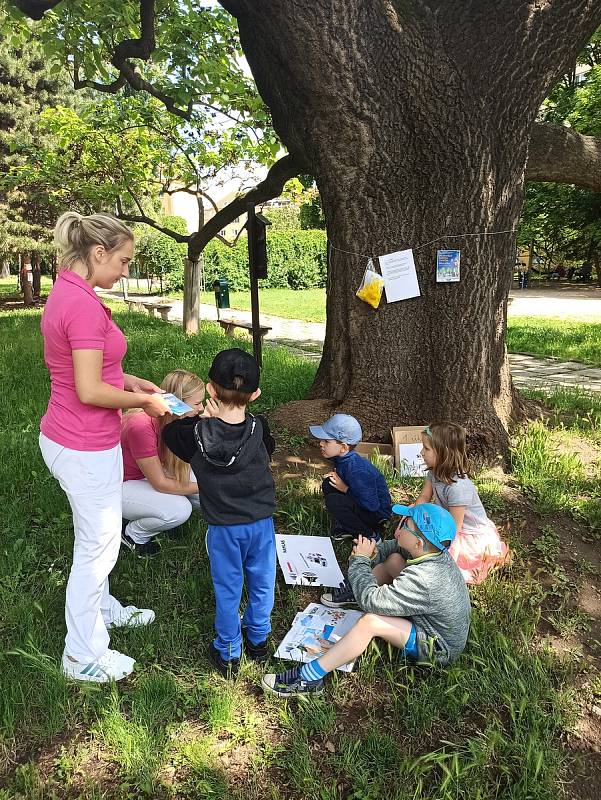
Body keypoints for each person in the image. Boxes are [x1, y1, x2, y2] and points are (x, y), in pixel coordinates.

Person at [39, 211, 170, 683]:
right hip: (82, 443)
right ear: (97, 254)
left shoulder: (71, 292)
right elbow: (90, 391)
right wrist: (145, 402)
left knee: (97, 537)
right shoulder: (81, 304)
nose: (125, 271)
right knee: (96, 549)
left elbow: (89, 369)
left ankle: (102, 607)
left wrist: (129, 380)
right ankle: (82, 654)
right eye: (123, 261)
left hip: (81, 439)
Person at [262, 503, 471, 697]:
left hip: (438, 647)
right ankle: (356, 594)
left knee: (370, 622)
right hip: (432, 620)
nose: (400, 525)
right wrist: (373, 553)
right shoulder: (431, 552)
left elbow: (371, 601)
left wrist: (361, 561)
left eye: (406, 524)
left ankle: (309, 678)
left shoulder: (423, 579)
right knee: (394, 561)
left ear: (418, 542)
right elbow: (395, 549)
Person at [163, 348, 276, 677]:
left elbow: (170, 433)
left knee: (229, 587)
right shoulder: (260, 427)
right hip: (261, 524)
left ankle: (228, 651)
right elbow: (267, 450)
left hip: (224, 528)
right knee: (262, 582)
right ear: (255, 394)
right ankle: (258, 640)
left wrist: (202, 419)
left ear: (210, 390)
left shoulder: (192, 436)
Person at [121, 369, 205, 557]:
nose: (201, 409)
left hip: (148, 473)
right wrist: (207, 485)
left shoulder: (178, 419)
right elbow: (159, 483)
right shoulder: (141, 426)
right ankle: (132, 535)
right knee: (179, 510)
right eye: (198, 403)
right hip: (121, 484)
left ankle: (158, 516)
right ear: (180, 404)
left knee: (205, 490)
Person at [414, 423, 509, 584]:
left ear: (443, 453)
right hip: (447, 522)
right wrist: (415, 513)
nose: (421, 453)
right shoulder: (433, 473)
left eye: (426, 449)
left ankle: (459, 573)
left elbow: (454, 529)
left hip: (466, 534)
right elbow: (424, 496)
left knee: (448, 563)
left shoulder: (458, 487)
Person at [309, 414, 392, 542]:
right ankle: (347, 525)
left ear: (343, 447)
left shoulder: (358, 470)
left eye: (326, 441)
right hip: (361, 500)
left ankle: (370, 536)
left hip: (376, 514)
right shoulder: (341, 459)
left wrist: (345, 489)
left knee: (334, 501)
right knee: (328, 484)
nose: (321, 443)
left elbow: (371, 504)